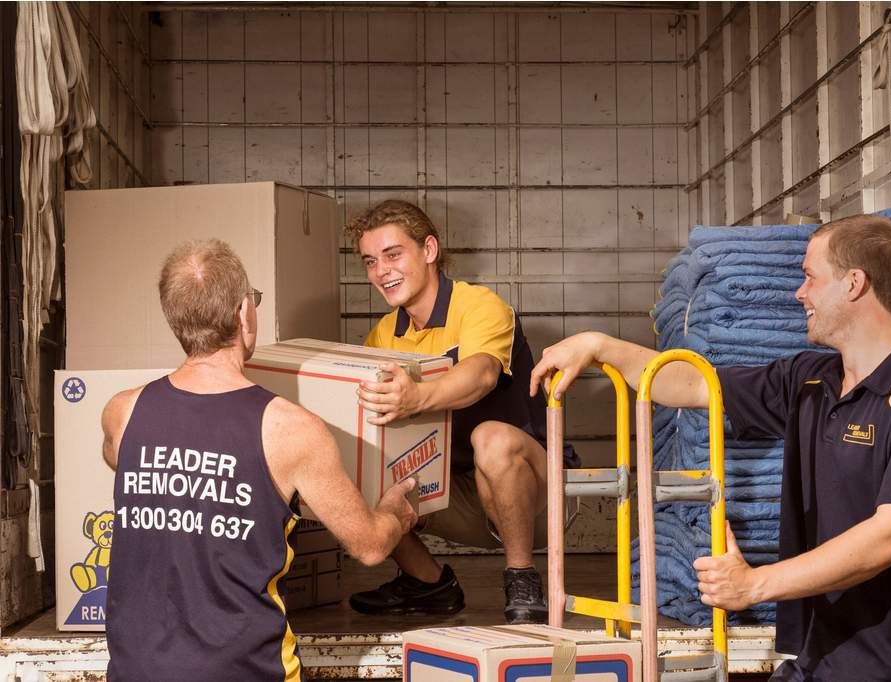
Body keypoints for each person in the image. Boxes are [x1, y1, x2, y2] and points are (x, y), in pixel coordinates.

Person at [530, 214, 891, 680]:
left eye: (809, 277)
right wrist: (599, 345)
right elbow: (694, 383)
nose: (798, 293)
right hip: (820, 660)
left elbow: (890, 536)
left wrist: (753, 585)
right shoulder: (810, 379)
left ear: (854, 283)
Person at [101, 239, 417, 682]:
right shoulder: (290, 429)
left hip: (136, 672)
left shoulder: (124, 411)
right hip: (247, 671)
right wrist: (394, 512)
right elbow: (368, 546)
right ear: (244, 315)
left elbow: (119, 459)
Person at [342, 199, 578, 624]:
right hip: (454, 492)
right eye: (371, 261)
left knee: (491, 436)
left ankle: (522, 576)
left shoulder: (479, 305)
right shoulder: (382, 334)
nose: (382, 271)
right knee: (350, 467)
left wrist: (414, 397)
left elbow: (483, 374)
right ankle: (429, 584)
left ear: (429, 250)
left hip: (536, 494)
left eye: (393, 255)